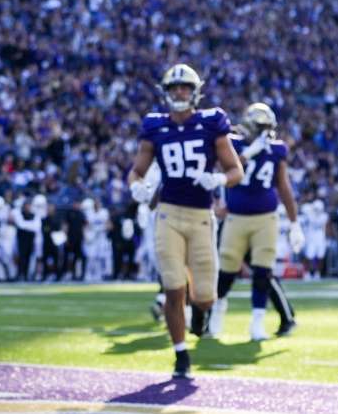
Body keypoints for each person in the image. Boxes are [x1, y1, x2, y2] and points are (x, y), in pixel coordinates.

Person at [128, 64, 242, 379]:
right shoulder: (155, 126)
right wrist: (137, 187)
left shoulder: (210, 123)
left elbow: (236, 171)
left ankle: (198, 317)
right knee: (174, 287)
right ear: (166, 91)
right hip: (168, 214)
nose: (180, 93)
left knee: (205, 296)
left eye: (185, 87)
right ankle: (180, 354)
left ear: (195, 91)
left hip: (202, 216)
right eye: (175, 87)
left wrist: (216, 178)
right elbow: (137, 170)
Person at [210, 103, 303, 341]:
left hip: (265, 218)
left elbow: (284, 186)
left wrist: (295, 223)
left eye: (267, 128)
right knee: (227, 271)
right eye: (260, 127)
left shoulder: (276, 150)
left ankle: (267, 321)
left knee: (263, 271)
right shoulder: (233, 143)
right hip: (236, 217)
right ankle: (214, 316)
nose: (264, 132)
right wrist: (248, 153)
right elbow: (224, 171)